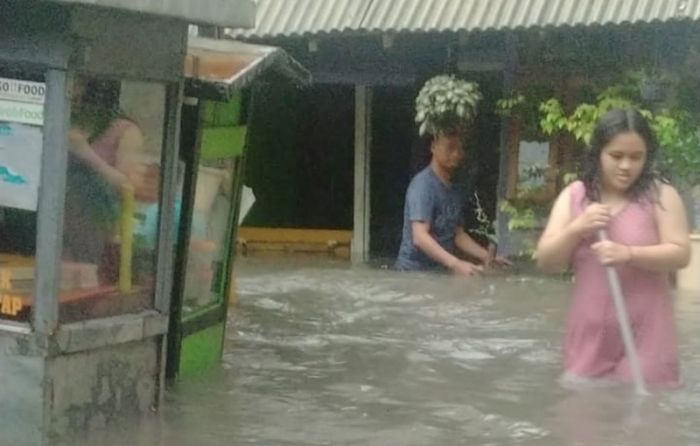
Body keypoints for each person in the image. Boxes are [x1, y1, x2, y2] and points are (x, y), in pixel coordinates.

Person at [536, 108, 690, 387]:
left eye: (636, 157)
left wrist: (629, 254)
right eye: (616, 156)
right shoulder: (575, 196)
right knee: (584, 422)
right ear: (598, 154)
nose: (626, 166)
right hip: (589, 337)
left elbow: (680, 254)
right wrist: (577, 228)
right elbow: (547, 261)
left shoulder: (661, 195)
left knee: (647, 421)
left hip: (648, 336)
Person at [395, 128, 510, 275]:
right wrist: (456, 263)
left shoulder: (453, 189)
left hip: (438, 271)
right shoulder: (423, 186)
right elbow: (420, 237)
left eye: (459, 149)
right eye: (450, 148)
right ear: (433, 147)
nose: (456, 154)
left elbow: (456, 234)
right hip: (413, 272)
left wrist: (488, 257)